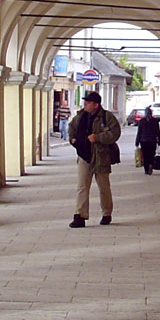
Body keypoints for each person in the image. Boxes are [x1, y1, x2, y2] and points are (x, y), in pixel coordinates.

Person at [67, 90, 121, 228]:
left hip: (101, 156)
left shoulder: (107, 117)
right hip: (84, 155)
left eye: (88, 102)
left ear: (95, 105)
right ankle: (80, 215)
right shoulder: (80, 116)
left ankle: (106, 213)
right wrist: (72, 139)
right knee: (82, 186)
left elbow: (115, 133)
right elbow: (71, 127)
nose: (85, 105)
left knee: (104, 187)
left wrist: (98, 137)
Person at [135, 106, 160, 175]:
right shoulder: (155, 121)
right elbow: (158, 131)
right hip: (152, 141)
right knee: (152, 154)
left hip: (144, 141)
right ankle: (151, 165)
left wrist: (137, 141)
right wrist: (159, 140)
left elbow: (139, 132)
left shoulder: (142, 121)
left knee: (145, 155)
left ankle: (146, 169)